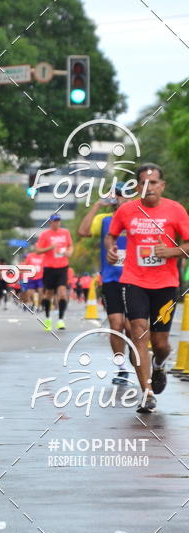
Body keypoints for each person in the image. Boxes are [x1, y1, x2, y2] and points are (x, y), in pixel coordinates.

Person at [105, 164, 189, 413]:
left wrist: (172, 251)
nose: (148, 187)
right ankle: (147, 392)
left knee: (161, 343)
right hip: (134, 280)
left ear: (162, 186)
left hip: (165, 284)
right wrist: (111, 248)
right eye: (142, 183)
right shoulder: (127, 210)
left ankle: (159, 364)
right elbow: (112, 234)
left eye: (153, 183)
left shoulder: (176, 210)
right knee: (138, 332)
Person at [78, 184, 134, 385]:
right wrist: (97, 206)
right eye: (116, 196)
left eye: (123, 196)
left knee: (132, 327)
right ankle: (121, 368)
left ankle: (138, 360)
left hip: (136, 279)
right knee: (116, 325)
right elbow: (83, 231)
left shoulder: (137, 218)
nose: (119, 199)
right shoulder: (104, 220)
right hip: (111, 279)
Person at [35, 214, 74, 331]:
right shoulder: (45, 235)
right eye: (54, 221)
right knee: (48, 294)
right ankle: (47, 318)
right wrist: (50, 247)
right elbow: (37, 250)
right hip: (49, 268)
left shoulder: (65, 233)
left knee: (62, 293)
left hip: (62, 267)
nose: (57, 223)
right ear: (50, 223)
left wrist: (69, 252)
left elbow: (70, 246)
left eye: (58, 221)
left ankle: (61, 320)